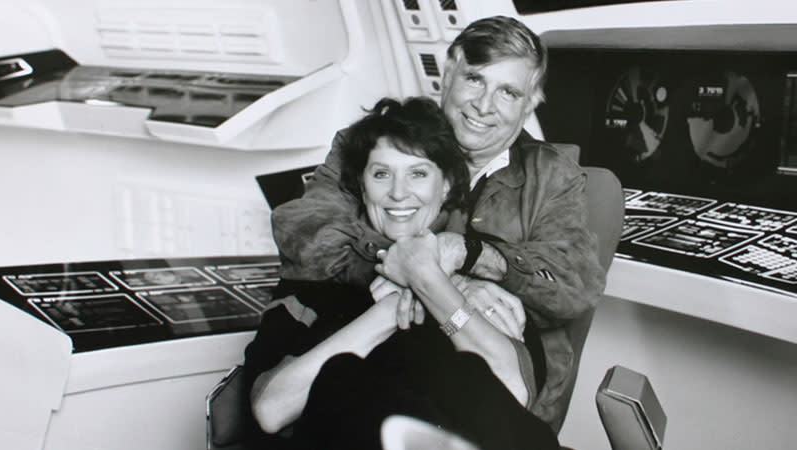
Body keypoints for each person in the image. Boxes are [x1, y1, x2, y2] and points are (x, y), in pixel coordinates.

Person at [271, 15, 606, 429]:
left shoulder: (554, 176)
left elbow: (574, 284)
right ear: (448, 73)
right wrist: (417, 273)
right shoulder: (374, 141)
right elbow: (303, 229)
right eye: (475, 79)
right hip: (373, 366)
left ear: (530, 102)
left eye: (508, 92)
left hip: (495, 394)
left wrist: (469, 257)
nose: (484, 106)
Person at [244, 97, 559, 450]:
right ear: (363, 188)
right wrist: (388, 311)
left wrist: (429, 283)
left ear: (446, 186)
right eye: (381, 174)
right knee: (342, 376)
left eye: (418, 174)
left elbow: (512, 389)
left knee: (466, 373)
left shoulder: (482, 279)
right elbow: (270, 410)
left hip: (470, 433)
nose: (397, 192)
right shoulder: (318, 276)